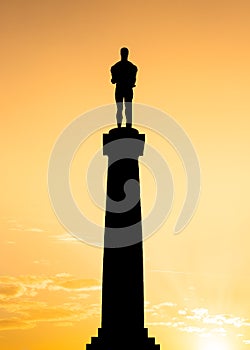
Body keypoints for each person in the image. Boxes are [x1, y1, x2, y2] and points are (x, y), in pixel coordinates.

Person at [111, 47, 138, 128]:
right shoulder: (131, 67)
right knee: (122, 108)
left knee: (126, 108)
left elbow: (113, 80)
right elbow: (113, 80)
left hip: (123, 89)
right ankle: (123, 126)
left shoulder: (116, 67)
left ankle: (126, 126)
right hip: (123, 89)